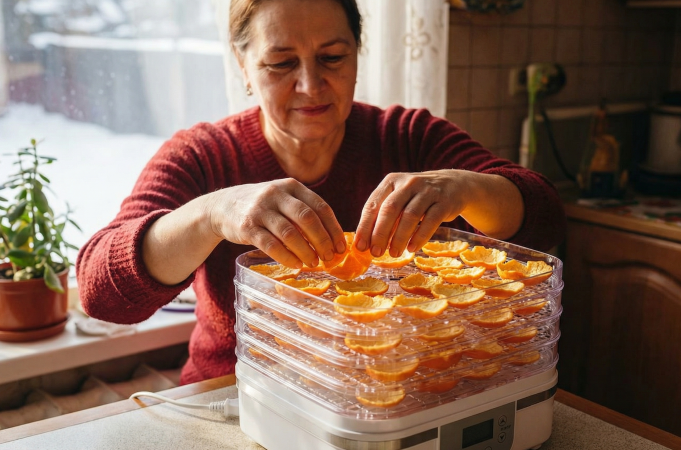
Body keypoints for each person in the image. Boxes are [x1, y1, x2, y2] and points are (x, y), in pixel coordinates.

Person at [76, 0, 566, 385]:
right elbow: (102, 293)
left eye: (332, 57)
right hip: (234, 398)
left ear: (357, 55)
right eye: (280, 63)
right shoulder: (202, 156)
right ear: (243, 66)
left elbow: (546, 219)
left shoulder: (408, 137)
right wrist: (212, 214)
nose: (311, 85)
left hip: (388, 397)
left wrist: (467, 188)